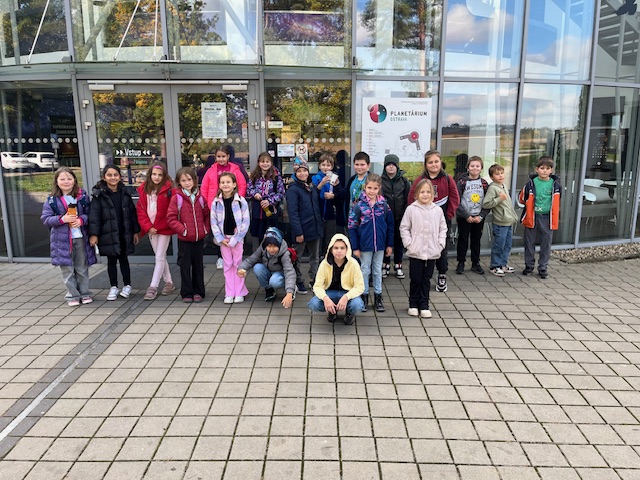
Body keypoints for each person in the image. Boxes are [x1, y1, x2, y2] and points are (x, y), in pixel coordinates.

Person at [41, 167, 97, 306]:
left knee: (82, 268)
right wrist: (62, 219)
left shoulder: (82, 197)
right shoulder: (52, 200)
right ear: (57, 181)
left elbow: (90, 214)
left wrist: (81, 220)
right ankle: (73, 295)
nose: (66, 182)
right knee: (67, 269)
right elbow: (46, 219)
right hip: (62, 241)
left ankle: (85, 293)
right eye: (62, 179)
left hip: (80, 238)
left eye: (69, 178)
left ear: (74, 180)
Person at [408, 150, 459, 293]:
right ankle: (425, 275)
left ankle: (442, 274)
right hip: (423, 222)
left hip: (441, 222)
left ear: (440, 162)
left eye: (436, 161)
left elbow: (455, 198)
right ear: (426, 164)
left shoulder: (448, 179)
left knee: (441, 249)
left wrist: (448, 215)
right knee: (425, 247)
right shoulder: (420, 180)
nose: (433, 164)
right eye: (430, 162)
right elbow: (412, 197)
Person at [88, 165, 140, 301]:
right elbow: (94, 217)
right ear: (104, 177)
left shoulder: (125, 192)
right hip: (108, 234)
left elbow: (132, 213)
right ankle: (114, 286)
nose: (113, 178)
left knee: (124, 259)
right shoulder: (99, 195)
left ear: (120, 177)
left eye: (115, 175)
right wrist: (94, 234)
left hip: (123, 233)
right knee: (111, 261)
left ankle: (127, 285)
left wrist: (135, 231)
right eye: (109, 175)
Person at [400, 178, 447, 318]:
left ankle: (424, 305)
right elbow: (404, 227)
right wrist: (409, 244)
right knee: (415, 278)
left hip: (432, 251)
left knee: (426, 279)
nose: (425, 195)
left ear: (433, 194)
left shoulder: (437, 210)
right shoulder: (411, 209)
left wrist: (440, 244)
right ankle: (413, 304)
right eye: (422, 192)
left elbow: (443, 228)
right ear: (416, 194)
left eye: (428, 192)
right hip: (416, 251)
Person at [348, 173, 394, 313]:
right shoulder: (358, 206)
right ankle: (364, 296)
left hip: (380, 245)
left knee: (377, 270)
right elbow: (352, 227)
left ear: (379, 188)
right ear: (365, 187)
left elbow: (390, 226)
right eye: (369, 188)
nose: (372, 191)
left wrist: (389, 244)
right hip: (364, 246)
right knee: (364, 270)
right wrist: (355, 247)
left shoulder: (384, 206)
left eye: (375, 188)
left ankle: (378, 297)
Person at [201, 145, 248, 269]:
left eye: (223, 156)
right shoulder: (211, 171)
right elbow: (204, 188)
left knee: (232, 230)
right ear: (215, 157)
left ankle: (235, 256)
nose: (221, 159)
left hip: (232, 205)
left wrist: (238, 200)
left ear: (228, 156)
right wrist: (207, 203)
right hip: (216, 206)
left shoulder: (235, 169)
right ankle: (221, 257)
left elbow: (242, 185)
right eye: (218, 156)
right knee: (219, 232)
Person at [167, 167, 210, 303]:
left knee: (198, 266)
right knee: (185, 266)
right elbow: (171, 218)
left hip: (199, 239)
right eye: (183, 180)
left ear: (194, 180)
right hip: (185, 239)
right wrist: (183, 230)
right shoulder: (177, 198)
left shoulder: (200, 198)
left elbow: (207, 215)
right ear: (179, 182)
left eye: (189, 179)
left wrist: (205, 229)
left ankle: (198, 291)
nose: (187, 183)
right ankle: (186, 292)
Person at [136, 161, 175, 300]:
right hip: (151, 229)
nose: (157, 177)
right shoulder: (143, 190)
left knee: (159, 257)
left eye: (160, 175)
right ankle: (169, 282)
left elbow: (171, 211)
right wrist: (148, 227)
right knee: (161, 256)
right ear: (150, 174)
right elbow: (141, 211)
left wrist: (159, 226)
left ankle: (153, 286)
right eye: (154, 174)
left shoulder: (169, 190)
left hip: (163, 228)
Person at [307, 233, 365, 325]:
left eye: (342, 248)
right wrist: (325, 298)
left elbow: (360, 287)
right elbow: (317, 286)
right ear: (331, 250)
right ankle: (332, 311)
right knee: (314, 304)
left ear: (347, 249)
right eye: (336, 248)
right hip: (330, 293)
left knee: (357, 305)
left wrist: (346, 297)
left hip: (347, 293)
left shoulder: (353, 264)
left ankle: (349, 313)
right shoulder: (324, 264)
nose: (339, 251)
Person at [519, 156, 562, 279]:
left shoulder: (555, 185)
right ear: (537, 169)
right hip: (532, 216)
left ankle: (543, 267)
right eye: (542, 168)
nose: (544, 171)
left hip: (547, 218)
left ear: (551, 170)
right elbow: (522, 198)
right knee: (529, 243)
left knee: (546, 244)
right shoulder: (530, 183)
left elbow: (558, 200)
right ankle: (529, 266)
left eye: (547, 168)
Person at [211, 172, 250, 304]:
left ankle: (239, 292)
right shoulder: (216, 202)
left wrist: (236, 239)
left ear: (234, 184)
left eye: (228, 182)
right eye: (222, 182)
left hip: (237, 239)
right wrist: (220, 238)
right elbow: (213, 222)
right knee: (227, 265)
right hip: (223, 240)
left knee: (238, 264)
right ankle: (229, 292)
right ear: (219, 185)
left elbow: (245, 222)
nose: (225, 184)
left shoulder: (241, 201)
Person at [286, 156, 323, 294]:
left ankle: (315, 279)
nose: (302, 173)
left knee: (315, 257)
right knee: (297, 257)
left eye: (305, 170)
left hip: (314, 228)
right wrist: (298, 232)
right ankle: (298, 281)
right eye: (299, 171)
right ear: (295, 173)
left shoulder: (311, 187)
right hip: (301, 229)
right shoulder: (293, 189)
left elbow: (316, 208)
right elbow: (293, 213)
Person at [238, 226, 296, 308]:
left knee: (274, 281)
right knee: (257, 268)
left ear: (279, 244)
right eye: (269, 246)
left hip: (280, 274)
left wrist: (289, 292)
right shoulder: (263, 249)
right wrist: (241, 268)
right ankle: (269, 289)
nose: (271, 249)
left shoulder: (284, 253)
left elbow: (289, 272)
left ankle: (292, 288)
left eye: (274, 246)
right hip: (269, 271)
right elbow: (251, 259)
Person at [482, 164, 519, 276]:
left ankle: (503, 264)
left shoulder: (503, 185)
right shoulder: (493, 188)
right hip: (500, 222)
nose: (500, 176)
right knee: (499, 245)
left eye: (502, 173)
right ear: (492, 177)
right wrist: (499, 199)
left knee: (507, 245)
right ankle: (495, 266)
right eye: (497, 174)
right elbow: (486, 203)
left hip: (508, 221)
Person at [455, 155, 489, 275]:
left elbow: (488, 202)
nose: (475, 168)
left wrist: (481, 215)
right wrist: (466, 216)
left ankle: (475, 263)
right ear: (468, 167)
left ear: (481, 168)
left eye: (477, 166)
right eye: (472, 166)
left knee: (476, 240)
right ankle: (461, 263)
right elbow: (457, 201)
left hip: (478, 217)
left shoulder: (484, 184)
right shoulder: (462, 182)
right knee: (463, 240)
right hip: (465, 217)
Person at [380, 153, 411, 279]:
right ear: (385, 166)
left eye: (393, 165)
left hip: (400, 217)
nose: (391, 167)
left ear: (397, 166)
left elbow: (408, 198)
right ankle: (385, 264)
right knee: (386, 241)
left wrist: (406, 214)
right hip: (385, 218)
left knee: (399, 241)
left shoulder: (404, 181)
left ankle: (398, 264)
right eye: (388, 165)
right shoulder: (380, 181)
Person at [247, 152, 285, 243]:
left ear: (271, 163)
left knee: (272, 236)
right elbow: (248, 189)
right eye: (262, 161)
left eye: (267, 162)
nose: (265, 164)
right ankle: (261, 251)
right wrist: (255, 194)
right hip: (258, 211)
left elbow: (281, 193)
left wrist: (270, 201)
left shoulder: (276, 176)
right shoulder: (254, 176)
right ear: (258, 163)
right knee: (260, 236)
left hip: (271, 211)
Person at [311, 153, 344, 255]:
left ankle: (328, 258)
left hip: (330, 214)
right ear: (319, 166)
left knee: (329, 240)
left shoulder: (335, 178)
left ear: (332, 167)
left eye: (328, 165)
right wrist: (321, 184)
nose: (325, 167)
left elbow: (341, 195)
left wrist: (334, 193)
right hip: (318, 214)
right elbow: (312, 195)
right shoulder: (315, 178)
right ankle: (318, 259)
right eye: (323, 165)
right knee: (318, 241)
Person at [342, 151, 371, 228]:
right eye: (357, 164)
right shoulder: (351, 180)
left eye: (362, 165)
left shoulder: (372, 179)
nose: (359, 167)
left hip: (367, 219)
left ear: (368, 165)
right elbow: (345, 194)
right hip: (352, 217)